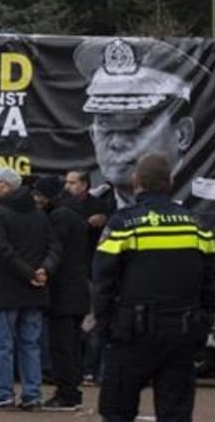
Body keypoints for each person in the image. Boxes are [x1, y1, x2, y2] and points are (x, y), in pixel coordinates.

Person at [93, 152, 215, 422]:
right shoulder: (197, 225)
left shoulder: (124, 224)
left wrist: (104, 327)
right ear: (170, 182)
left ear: (136, 181)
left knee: (117, 411)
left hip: (130, 335)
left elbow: (103, 282)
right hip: (181, 334)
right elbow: (210, 284)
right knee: (176, 413)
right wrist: (202, 324)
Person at [74, 37, 195, 208]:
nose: (117, 142)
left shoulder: (203, 204)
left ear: (183, 134)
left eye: (136, 126)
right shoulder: (88, 206)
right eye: (105, 125)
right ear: (92, 135)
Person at [0, 166, 59, 410]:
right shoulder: (39, 214)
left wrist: (29, 274)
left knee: (2, 346)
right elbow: (55, 247)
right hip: (35, 291)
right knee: (30, 345)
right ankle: (32, 395)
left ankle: (4, 395)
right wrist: (43, 271)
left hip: (6, 290)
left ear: (6, 186)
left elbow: (1, 249)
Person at [31, 175, 91, 411]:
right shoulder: (73, 212)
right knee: (70, 347)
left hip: (64, 293)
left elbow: (55, 249)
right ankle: (69, 391)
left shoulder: (59, 217)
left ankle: (67, 394)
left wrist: (43, 270)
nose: (36, 199)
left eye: (39, 195)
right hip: (76, 290)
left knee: (62, 347)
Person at [63, 167, 114, 386]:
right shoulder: (61, 205)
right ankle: (74, 370)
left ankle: (89, 370)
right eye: (67, 182)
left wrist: (102, 223)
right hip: (69, 273)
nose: (68, 186)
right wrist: (86, 224)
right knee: (72, 325)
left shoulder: (99, 206)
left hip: (92, 272)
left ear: (84, 185)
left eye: (72, 182)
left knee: (93, 323)